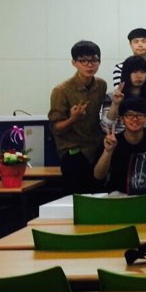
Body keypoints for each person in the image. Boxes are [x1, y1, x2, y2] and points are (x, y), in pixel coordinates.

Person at [49, 40, 108, 193]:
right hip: (73, 150)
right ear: (74, 62)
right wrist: (72, 119)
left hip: (96, 148)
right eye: (83, 61)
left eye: (94, 60)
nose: (89, 65)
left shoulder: (101, 85)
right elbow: (56, 128)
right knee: (76, 196)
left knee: (99, 193)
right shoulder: (61, 90)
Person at [93, 96, 146, 194]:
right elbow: (98, 176)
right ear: (122, 119)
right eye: (130, 115)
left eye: (140, 115)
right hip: (119, 193)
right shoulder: (112, 141)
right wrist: (108, 151)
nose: (135, 119)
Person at [100, 55, 146, 135]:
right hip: (119, 140)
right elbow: (106, 127)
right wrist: (115, 104)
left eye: (142, 72)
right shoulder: (112, 96)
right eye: (135, 72)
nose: (139, 76)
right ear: (126, 73)